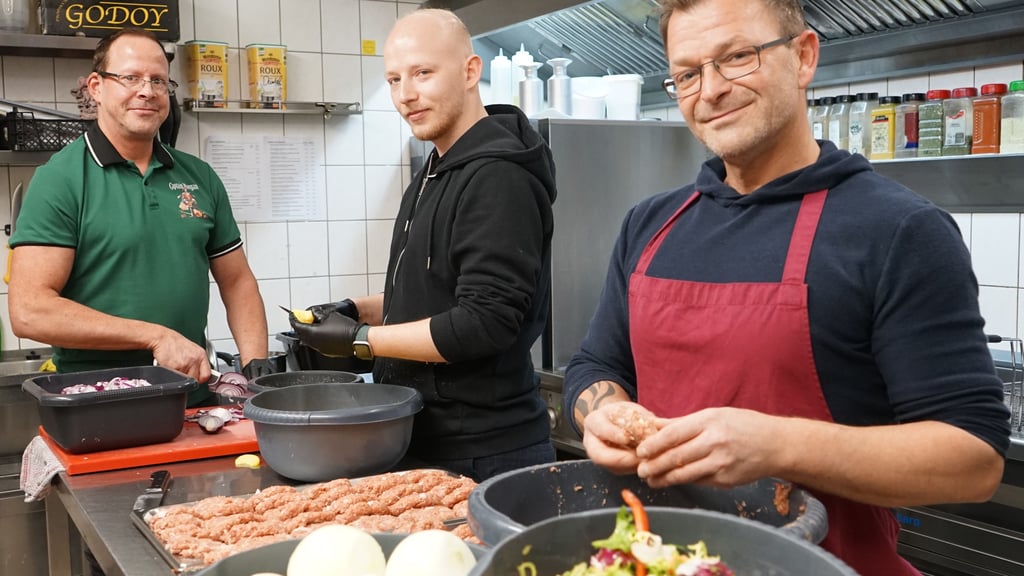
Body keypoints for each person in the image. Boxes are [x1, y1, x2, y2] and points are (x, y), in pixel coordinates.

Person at [563, 0, 1011, 574]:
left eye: (737, 58)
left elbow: (973, 460)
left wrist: (776, 445)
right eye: (688, 73)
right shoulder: (650, 224)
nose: (711, 90)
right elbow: (595, 364)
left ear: (803, 57)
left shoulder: (899, 230)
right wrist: (598, 414)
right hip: (663, 559)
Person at [290, 8, 557, 482]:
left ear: (471, 71)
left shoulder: (499, 177)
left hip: (485, 451)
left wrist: (360, 342)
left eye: (422, 73)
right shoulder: (434, 169)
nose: (405, 95)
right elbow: (436, 287)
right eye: (393, 79)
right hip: (425, 436)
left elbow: (483, 323)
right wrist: (357, 310)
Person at [7, 28, 275, 407]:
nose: (147, 91)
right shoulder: (60, 179)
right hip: (98, 404)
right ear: (96, 87)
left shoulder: (199, 177)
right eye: (130, 78)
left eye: (159, 81)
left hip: (190, 399)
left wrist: (255, 365)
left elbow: (237, 281)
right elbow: (30, 311)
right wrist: (155, 336)